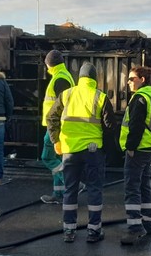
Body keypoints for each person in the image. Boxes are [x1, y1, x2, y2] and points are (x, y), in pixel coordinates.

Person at [46, 62, 116, 243]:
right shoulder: (100, 97)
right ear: (94, 79)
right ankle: (94, 231)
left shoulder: (67, 94)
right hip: (93, 151)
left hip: (70, 150)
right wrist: (107, 151)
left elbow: (51, 117)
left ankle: (69, 231)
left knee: (70, 189)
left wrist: (57, 141)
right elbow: (109, 127)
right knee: (94, 189)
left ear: (80, 78)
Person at [119, 66, 151, 245]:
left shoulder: (139, 98)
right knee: (144, 186)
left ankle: (135, 228)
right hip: (150, 147)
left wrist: (130, 147)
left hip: (139, 149)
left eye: (131, 79)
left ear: (142, 80)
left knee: (132, 188)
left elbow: (135, 126)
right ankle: (148, 224)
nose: (128, 82)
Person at [40, 50, 76, 204]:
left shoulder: (59, 79)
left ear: (48, 64)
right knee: (57, 159)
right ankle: (58, 194)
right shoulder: (64, 75)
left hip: (55, 126)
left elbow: (61, 106)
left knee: (47, 157)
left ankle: (71, 183)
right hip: (58, 124)